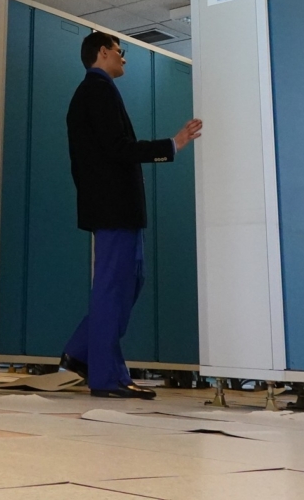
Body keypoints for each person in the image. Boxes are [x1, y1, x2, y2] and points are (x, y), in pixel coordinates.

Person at [60, 31, 202, 400]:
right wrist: (172, 144)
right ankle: (106, 376)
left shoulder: (98, 91)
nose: (123, 58)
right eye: (120, 51)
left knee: (128, 284)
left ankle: (80, 352)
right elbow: (117, 148)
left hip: (117, 209)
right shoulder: (97, 90)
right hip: (113, 209)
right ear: (102, 52)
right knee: (113, 289)